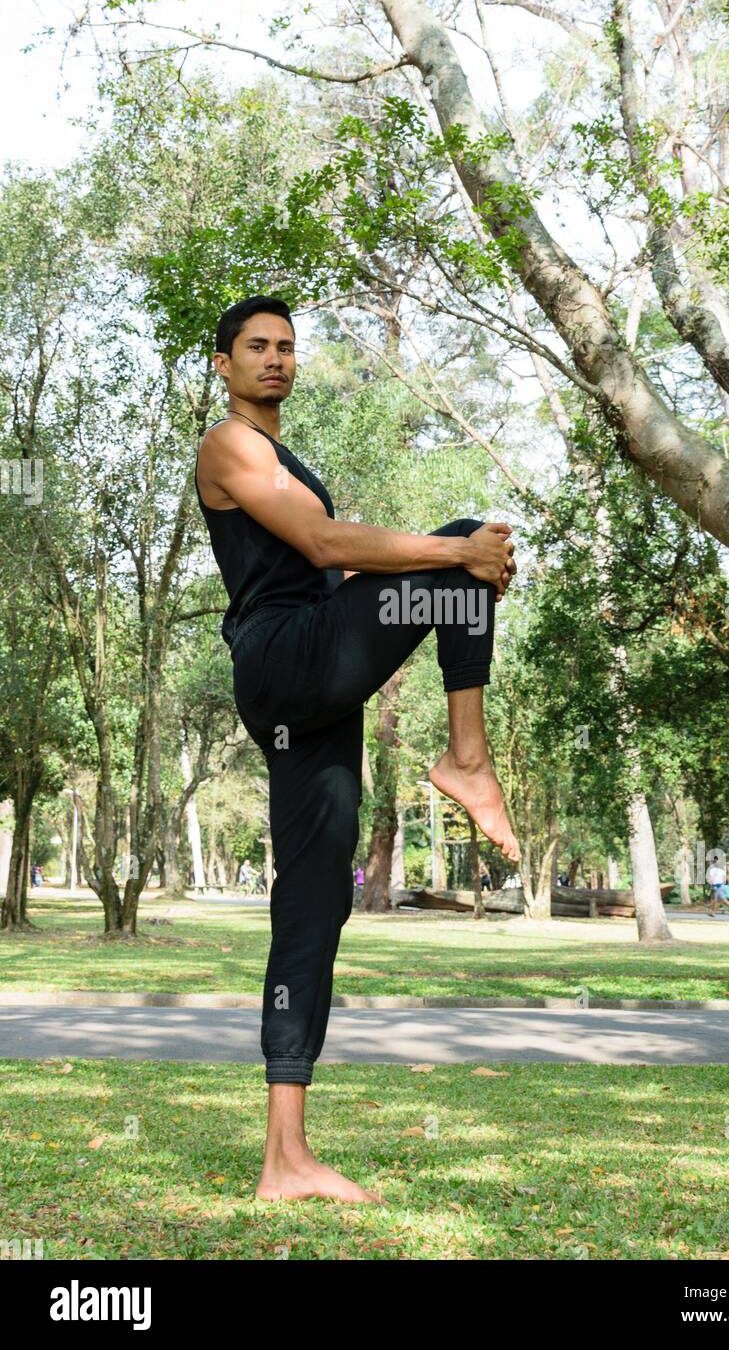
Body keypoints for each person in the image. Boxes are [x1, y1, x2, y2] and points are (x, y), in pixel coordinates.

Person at [194, 296, 520, 1206]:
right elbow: (326, 543)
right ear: (223, 364)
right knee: (460, 543)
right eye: (256, 347)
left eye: (287, 348)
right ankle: (466, 759)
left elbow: (342, 569)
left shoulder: (288, 459)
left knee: (311, 905)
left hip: (313, 692)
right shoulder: (229, 446)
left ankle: (285, 1159)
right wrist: (460, 559)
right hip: (280, 658)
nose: (275, 359)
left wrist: (463, 579)